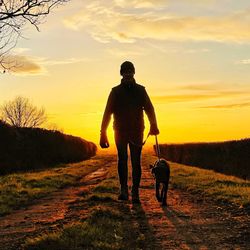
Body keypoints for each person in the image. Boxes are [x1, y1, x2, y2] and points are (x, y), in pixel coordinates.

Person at [100, 61, 159, 203]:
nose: (128, 73)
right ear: (121, 73)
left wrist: (154, 125)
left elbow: (150, 109)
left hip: (137, 130)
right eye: (125, 71)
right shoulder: (115, 92)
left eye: (130, 71)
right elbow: (107, 113)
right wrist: (103, 133)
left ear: (134, 73)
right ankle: (124, 190)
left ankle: (135, 192)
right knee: (122, 160)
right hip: (119, 131)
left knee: (136, 161)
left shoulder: (141, 90)